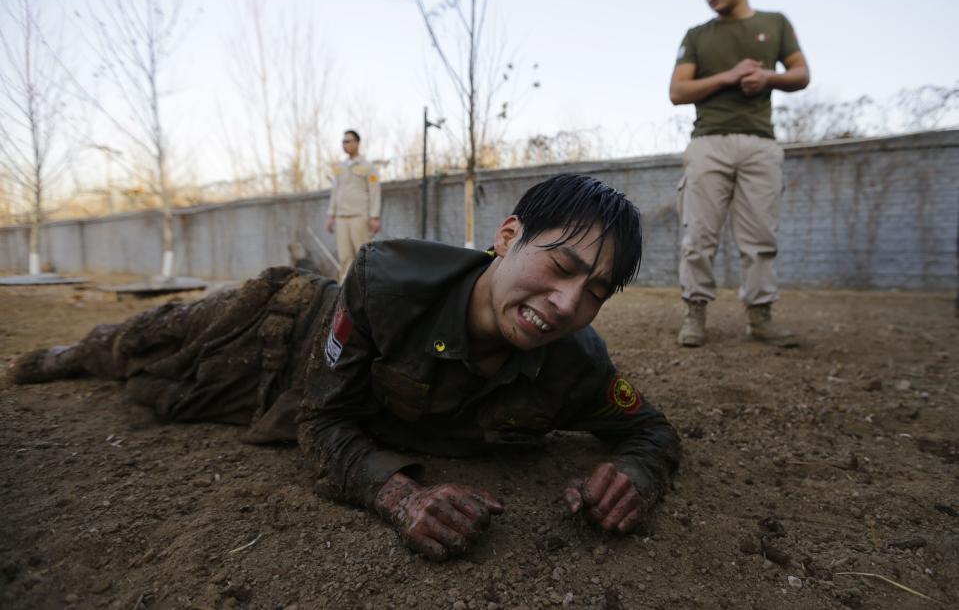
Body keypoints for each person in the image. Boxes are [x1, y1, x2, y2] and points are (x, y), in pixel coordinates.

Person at [10, 174, 681, 562]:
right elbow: (321, 413)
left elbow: (649, 431)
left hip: (282, 409)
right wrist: (401, 496)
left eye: (595, 291)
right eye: (560, 266)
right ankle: (75, 349)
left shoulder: (577, 364)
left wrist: (632, 476)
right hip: (285, 328)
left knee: (160, 398)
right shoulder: (388, 280)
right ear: (506, 238)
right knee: (141, 347)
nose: (568, 303)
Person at [669, 0, 810, 348]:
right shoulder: (697, 35)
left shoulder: (775, 23)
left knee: (761, 237)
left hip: (761, 144)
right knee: (697, 234)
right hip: (708, 143)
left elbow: (801, 74)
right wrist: (729, 76)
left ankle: (761, 317)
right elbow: (677, 91)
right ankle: (694, 313)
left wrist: (769, 77)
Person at [326, 130, 382, 282]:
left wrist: (374, 216)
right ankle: (344, 293)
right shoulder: (340, 167)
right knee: (345, 258)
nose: (345, 144)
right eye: (343, 142)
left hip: (359, 216)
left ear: (357, 143)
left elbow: (374, 191)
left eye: (348, 141)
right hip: (341, 217)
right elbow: (335, 191)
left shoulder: (368, 167)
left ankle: (367, 288)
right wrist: (331, 215)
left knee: (363, 255)